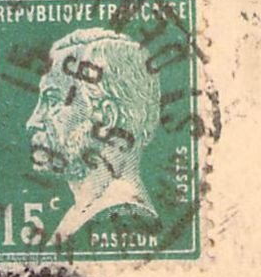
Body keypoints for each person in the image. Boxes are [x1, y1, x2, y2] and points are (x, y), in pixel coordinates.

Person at [24, 27, 162, 245]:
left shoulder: (118, 220)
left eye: (52, 101)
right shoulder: (82, 215)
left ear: (106, 120)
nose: (32, 122)